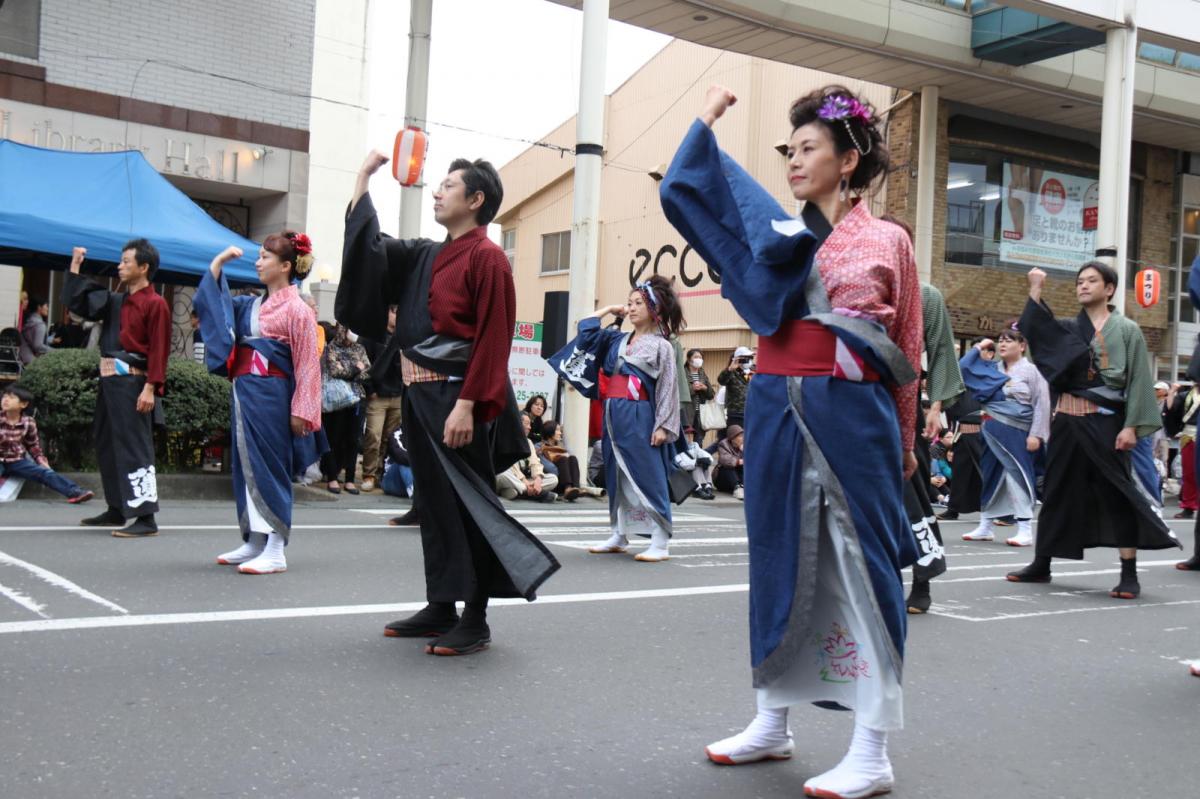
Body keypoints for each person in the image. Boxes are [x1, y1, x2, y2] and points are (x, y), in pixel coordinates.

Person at [661, 84, 921, 798]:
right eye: (791, 150)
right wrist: (706, 122)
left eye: (810, 148)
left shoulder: (888, 239)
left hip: (853, 412)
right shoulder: (775, 228)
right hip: (776, 403)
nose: (795, 161)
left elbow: (907, 348)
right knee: (776, 553)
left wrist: (905, 438)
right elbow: (695, 197)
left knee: (863, 566)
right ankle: (771, 719)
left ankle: (872, 747)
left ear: (850, 158)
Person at [338, 150, 559, 657]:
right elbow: (371, 253)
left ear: (475, 200)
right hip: (419, 394)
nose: (437, 192)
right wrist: (362, 179)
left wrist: (468, 404)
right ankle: (441, 604)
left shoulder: (488, 258)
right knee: (433, 505)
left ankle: (476, 617)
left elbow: (494, 339)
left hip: (458, 397)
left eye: (448, 185)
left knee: (468, 506)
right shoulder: (425, 254)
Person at [1007, 262, 1179, 597]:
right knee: (1055, 491)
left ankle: (1129, 573)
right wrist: (1036, 288)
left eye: (1091, 281)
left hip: (1105, 422)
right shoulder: (1069, 327)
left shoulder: (1127, 330)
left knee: (1117, 492)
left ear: (1109, 288)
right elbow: (1036, 332)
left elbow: (1139, 380)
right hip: (1067, 422)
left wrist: (1131, 427)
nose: (1083, 286)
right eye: (1079, 281)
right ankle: (1042, 564)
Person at [194, 233, 322, 574]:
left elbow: (308, 363)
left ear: (285, 266)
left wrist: (301, 410)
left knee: (270, 465)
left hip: (273, 394)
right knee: (246, 464)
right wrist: (217, 266)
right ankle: (253, 540)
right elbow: (217, 309)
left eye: (265, 256)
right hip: (245, 390)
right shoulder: (250, 304)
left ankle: (276, 546)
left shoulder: (298, 309)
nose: (258, 261)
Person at [566, 275, 683, 563]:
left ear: (654, 308)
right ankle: (619, 534)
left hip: (640, 414)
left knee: (647, 475)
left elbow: (669, 387)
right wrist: (607, 309)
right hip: (612, 414)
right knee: (616, 475)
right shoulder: (617, 338)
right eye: (629, 303)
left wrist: (664, 426)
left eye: (638, 303)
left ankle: (660, 539)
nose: (631, 309)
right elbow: (585, 329)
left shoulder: (662, 346)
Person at [64, 242, 170, 537]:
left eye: (125, 261)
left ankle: (146, 517)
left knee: (136, 447)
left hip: (135, 382)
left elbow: (159, 350)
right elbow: (81, 302)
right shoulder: (116, 301)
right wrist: (75, 266)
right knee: (106, 442)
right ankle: (117, 508)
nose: (120, 266)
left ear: (143, 267)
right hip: (110, 381)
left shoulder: (156, 303)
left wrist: (150, 388)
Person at [959, 323, 1051, 548]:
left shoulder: (1032, 371)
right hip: (991, 427)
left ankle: (1025, 528)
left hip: (1018, 429)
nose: (1002, 343)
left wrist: (1037, 435)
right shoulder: (991, 369)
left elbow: (1042, 404)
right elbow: (962, 367)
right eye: (1000, 340)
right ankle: (986, 525)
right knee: (990, 475)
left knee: (1017, 475)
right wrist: (980, 346)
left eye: (1008, 340)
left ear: (1022, 346)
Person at [0, 384, 93, 503]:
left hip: (17, 461)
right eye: (4, 397)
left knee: (44, 473)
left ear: (23, 404)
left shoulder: (28, 422)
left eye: (11, 397)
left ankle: (75, 492)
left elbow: (33, 445)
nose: (5, 400)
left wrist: (41, 461)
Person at [359, 305, 405, 493]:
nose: (397, 316)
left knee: (389, 438)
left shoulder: (403, 336)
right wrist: (370, 390)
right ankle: (369, 474)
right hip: (377, 395)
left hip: (398, 394)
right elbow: (363, 363)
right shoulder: (372, 335)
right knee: (373, 435)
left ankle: (381, 473)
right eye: (394, 311)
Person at [320, 324, 369, 495]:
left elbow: (367, 371)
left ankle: (349, 480)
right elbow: (334, 371)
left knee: (353, 440)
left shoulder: (360, 348)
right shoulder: (331, 348)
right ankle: (332, 477)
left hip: (357, 398)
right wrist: (356, 368)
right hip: (336, 400)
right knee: (334, 438)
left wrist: (348, 370)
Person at [496, 412, 559, 502]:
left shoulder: (528, 442)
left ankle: (519, 492)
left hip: (520, 482)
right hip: (508, 477)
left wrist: (538, 479)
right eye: (527, 424)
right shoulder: (505, 439)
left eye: (530, 424)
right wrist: (524, 481)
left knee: (553, 479)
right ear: (517, 424)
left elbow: (535, 462)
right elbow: (511, 465)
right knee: (503, 474)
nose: (530, 427)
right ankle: (536, 493)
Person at [1164, 381, 1199, 520]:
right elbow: (1170, 409)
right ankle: (1189, 507)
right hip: (1189, 434)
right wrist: (1172, 392)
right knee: (1189, 473)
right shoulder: (1185, 395)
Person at [538, 419, 594, 501]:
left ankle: (575, 488)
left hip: (564, 479)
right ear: (550, 431)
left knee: (573, 458)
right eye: (557, 430)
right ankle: (567, 488)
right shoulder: (539, 447)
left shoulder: (560, 446)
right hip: (554, 480)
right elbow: (549, 468)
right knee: (563, 459)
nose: (560, 433)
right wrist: (560, 459)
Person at [718, 346, 753, 434]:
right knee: (733, 439)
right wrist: (730, 369)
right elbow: (721, 381)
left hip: (751, 412)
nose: (748, 360)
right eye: (744, 358)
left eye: (750, 358)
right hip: (736, 413)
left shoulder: (753, 372)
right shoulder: (731, 372)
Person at [685, 348, 716, 442]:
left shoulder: (702, 374)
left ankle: (698, 457)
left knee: (698, 441)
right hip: (686, 413)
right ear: (689, 359)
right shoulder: (682, 373)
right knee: (686, 441)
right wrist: (692, 389)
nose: (699, 359)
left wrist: (704, 388)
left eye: (700, 357)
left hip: (700, 413)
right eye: (696, 357)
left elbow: (711, 395)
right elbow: (678, 392)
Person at [714, 424, 745, 499]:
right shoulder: (723, 444)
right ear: (733, 438)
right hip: (722, 479)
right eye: (740, 436)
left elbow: (752, 460)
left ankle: (743, 487)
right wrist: (739, 461)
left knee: (745, 468)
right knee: (727, 466)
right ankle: (737, 488)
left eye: (743, 436)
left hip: (736, 477)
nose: (743, 438)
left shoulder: (744, 445)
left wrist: (744, 451)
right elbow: (725, 460)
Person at [18, 295, 50, 365]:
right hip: (32, 362)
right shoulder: (39, 324)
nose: (48, 309)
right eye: (46, 306)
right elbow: (38, 346)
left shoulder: (28, 320)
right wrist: (56, 351)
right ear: (39, 307)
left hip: (21, 358)